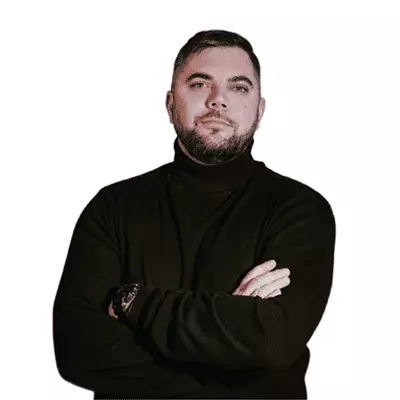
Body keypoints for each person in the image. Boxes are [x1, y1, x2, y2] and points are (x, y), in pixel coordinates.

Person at [53, 29, 336, 399]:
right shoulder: (112, 207)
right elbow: (76, 351)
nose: (218, 100)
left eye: (238, 87)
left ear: (259, 110)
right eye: (200, 84)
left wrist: (134, 300)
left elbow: (272, 342)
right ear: (171, 104)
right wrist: (231, 342)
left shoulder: (299, 210)